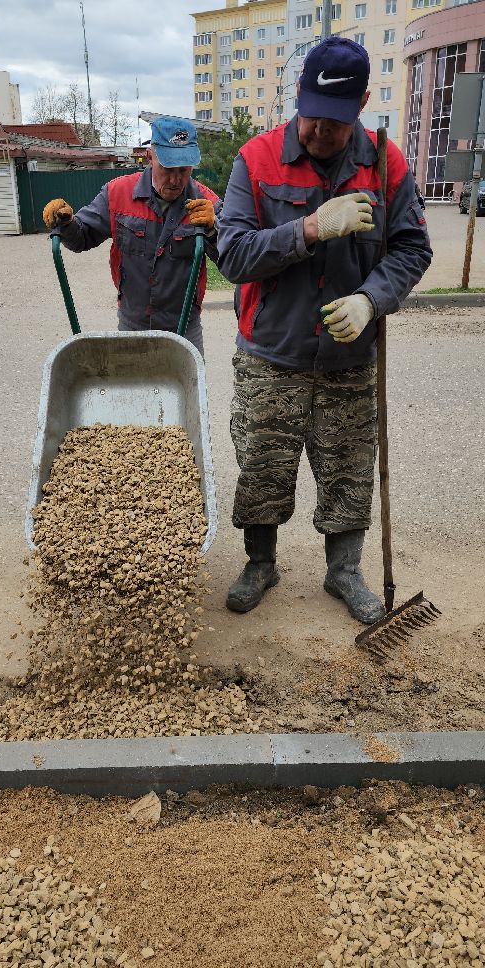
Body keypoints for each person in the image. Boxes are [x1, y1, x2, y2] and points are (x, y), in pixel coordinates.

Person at [217, 36, 431, 624]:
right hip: (271, 353)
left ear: (361, 104)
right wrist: (308, 230)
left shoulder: (386, 164)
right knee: (262, 465)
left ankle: (344, 572)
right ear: (298, 96)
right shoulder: (255, 160)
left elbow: (413, 249)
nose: (318, 131)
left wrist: (372, 299)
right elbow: (232, 255)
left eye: (334, 122)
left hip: (348, 358)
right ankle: (261, 563)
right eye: (311, 116)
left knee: (348, 468)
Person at [42, 116, 221, 357]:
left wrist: (213, 231)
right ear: (150, 157)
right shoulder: (117, 194)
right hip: (133, 325)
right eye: (168, 168)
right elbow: (82, 237)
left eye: (184, 170)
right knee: (132, 393)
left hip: (184, 328)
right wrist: (65, 224)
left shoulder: (207, 204)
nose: (176, 179)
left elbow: (232, 260)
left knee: (188, 392)